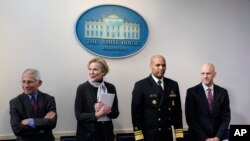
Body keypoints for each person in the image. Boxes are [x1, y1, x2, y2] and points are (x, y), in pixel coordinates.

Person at [131, 54, 184, 141]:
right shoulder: (141, 85)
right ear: (151, 66)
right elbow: (136, 114)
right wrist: (139, 137)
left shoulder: (173, 85)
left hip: (167, 135)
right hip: (149, 135)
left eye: (163, 65)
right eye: (157, 65)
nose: (161, 68)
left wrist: (179, 135)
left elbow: (177, 112)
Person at [74, 57, 119, 141]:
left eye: (95, 69)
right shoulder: (82, 88)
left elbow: (115, 113)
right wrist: (97, 115)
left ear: (103, 72)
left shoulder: (110, 87)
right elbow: (78, 115)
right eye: (90, 69)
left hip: (106, 134)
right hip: (87, 136)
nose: (91, 72)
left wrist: (106, 109)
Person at [185, 63, 231, 141]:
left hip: (217, 138)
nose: (205, 76)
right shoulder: (191, 92)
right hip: (197, 138)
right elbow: (191, 119)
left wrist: (217, 137)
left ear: (214, 74)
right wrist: (205, 139)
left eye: (208, 73)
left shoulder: (223, 92)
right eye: (203, 73)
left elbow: (226, 118)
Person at [9, 68, 57, 141]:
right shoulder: (15, 102)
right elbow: (16, 129)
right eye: (23, 81)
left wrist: (29, 121)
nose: (26, 85)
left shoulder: (49, 99)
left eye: (30, 82)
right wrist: (42, 126)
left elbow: (52, 123)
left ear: (39, 83)